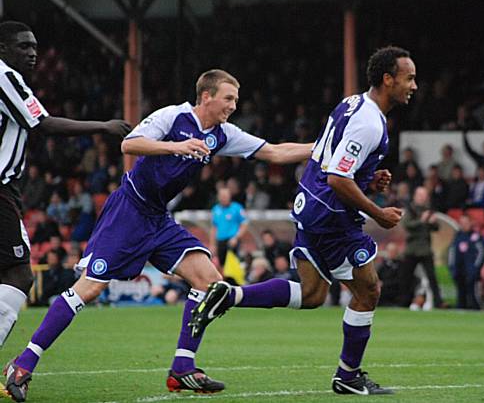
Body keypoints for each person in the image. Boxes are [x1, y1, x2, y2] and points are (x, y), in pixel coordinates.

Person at [4, 68, 312, 401]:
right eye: (228, 98)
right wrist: (176, 146)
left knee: (210, 281)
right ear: (206, 96)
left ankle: (182, 368)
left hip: (158, 219)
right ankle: (22, 364)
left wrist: (325, 148)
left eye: (235, 100)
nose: (233, 106)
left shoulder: (223, 134)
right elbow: (129, 143)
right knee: (89, 289)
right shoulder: (172, 116)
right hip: (129, 211)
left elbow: (276, 152)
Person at [189, 46, 416, 395]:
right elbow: (339, 179)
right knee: (369, 290)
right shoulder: (371, 123)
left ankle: (229, 295)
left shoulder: (352, 103)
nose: (413, 85)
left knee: (312, 294)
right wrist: (378, 212)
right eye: (409, 78)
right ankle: (349, 376)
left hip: (309, 203)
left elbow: (331, 158)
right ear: (388, 79)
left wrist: (367, 176)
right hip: (332, 215)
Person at [0, 21, 130, 353]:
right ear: (2, 49)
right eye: (23, 46)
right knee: (18, 275)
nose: (32, 53)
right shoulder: (5, 76)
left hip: (8, 190)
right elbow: (43, 124)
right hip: (1, 190)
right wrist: (103, 126)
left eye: (34, 47)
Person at [399, 186, 444, 308]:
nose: (423, 198)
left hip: (425, 249)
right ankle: (403, 302)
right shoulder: (410, 209)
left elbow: (436, 228)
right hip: (412, 249)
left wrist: (433, 222)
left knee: (432, 278)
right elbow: (407, 225)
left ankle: (438, 302)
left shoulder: (428, 210)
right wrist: (422, 221)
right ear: (415, 196)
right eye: (421, 195)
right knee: (406, 278)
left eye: (424, 196)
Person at [448, 214, 484, 309]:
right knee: (460, 296)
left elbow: (482, 254)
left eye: (466, 223)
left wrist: (475, 269)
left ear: (471, 223)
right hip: (459, 272)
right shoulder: (457, 237)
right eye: (462, 223)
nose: (464, 225)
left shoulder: (476, 237)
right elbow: (452, 253)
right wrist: (452, 268)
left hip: (471, 273)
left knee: (473, 295)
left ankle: (477, 312)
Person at [209, 187, 247, 267]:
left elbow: (244, 225)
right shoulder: (215, 209)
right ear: (218, 197)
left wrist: (236, 238)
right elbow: (214, 228)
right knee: (222, 264)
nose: (223, 198)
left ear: (230, 196)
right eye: (221, 196)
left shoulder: (237, 208)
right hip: (220, 241)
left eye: (225, 196)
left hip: (232, 240)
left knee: (234, 264)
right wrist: (212, 244)